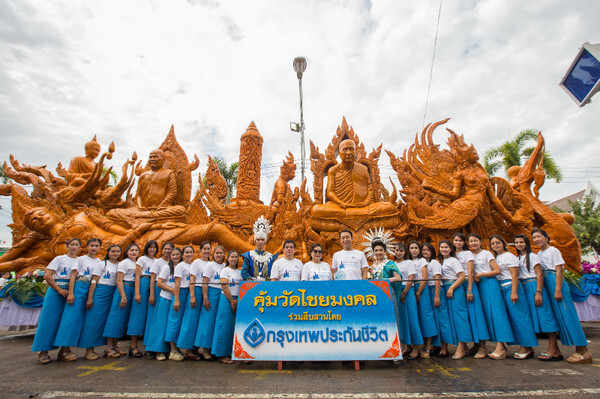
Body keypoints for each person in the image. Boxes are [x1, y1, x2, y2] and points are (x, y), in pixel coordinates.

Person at [532, 228, 593, 364]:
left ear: (546, 237)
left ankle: (583, 351)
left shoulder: (554, 251)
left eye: (539, 237)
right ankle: (556, 350)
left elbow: (559, 271)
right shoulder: (539, 253)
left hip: (555, 282)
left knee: (568, 316)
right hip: (547, 284)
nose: (537, 239)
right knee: (557, 317)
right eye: (534, 238)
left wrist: (558, 289)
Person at [311, 139, 397, 217]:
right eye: (345, 149)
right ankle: (353, 214)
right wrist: (341, 203)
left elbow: (370, 189)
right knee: (316, 209)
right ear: (339, 153)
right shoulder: (333, 170)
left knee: (389, 207)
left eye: (351, 149)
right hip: (340, 207)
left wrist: (366, 202)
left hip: (362, 207)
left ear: (355, 152)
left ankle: (351, 214)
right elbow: (330, 192)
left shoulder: (363, 168)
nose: (348, 152)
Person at [32, 238, 81, 364]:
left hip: (71, 291)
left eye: (77, 245)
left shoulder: (80, 261)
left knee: (67, 322)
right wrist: (59, 290)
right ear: (67, 246)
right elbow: (47, 276)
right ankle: (43, 350)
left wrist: (71, 292)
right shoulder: (59, 259)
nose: (74, 247)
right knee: (48, 321)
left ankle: (65, 350)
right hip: (56, 290)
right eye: (72, 244)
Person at [489, 235, 538, 360]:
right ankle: (507, 346)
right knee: (506, 318)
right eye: (493, 243)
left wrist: (514, 292)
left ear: (503, 243)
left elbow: (515, 274)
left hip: (511, 286)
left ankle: (526, 346)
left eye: (498, 242)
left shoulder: (510, 256)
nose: (496, 245)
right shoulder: (495, 257)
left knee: (520, 316)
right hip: (499, 287)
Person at [54, 238, 103, 359]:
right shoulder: (80, 259)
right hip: (79, 287)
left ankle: (89, 350)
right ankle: (64, 350)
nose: (94, 248)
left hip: (92, 289)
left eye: (96, 246)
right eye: (91, 245)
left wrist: (91, 296)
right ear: (87, 247)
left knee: (90, 320)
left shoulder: (100, 262)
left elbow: (96, 279)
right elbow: (73, 276)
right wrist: (71, 293)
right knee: (71, 318)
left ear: (100, 248)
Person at [468, 233, 514, 359]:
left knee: (496, 314)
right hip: (479, 286)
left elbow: (497, 270)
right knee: (483, 315)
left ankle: (501, 346)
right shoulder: (471, 255)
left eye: (475, 240)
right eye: (471, 241)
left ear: (480, 241)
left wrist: (481, 274)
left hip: (490, 284)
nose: (473, 243)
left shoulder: (487, 253)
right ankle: (480, 345)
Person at [514, 234, 559, 359]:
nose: (519, 244)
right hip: (524, 287)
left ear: (526, 243)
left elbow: (539, 274)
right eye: (517, 242)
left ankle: (553, 349)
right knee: (528, 317)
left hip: (534, 285)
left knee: (545, 316)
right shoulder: (518, 257)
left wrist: (538, 292)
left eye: (521, 242)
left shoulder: (533, 256)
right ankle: (528, 347)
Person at [79, 244, 121, 359]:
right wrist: (90, 297)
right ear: (108, 252)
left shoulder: (119, 265)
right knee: (93, 321)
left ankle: (111, 347)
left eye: (117, 251)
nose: (115, 253)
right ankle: (89, 350)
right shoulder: (102, 264)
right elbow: (94, 281)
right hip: (101, 292)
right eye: (113, 251)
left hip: (113, 292)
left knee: (110, 321)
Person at [452, 233, 490, 356]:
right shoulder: (452, 255)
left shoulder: (468, 254)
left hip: (468, 283)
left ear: (464, 243)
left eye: (460, 241)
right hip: (458, 284)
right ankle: (467, 345)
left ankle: (482, 347)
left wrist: (469, 289)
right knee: (463, 315)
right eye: (455, 240)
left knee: (476, 314)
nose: (458, 243)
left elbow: (470, 271)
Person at [103, 243, 140, 357]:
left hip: (134, 289)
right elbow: (119, 280)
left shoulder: (137, 263)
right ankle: (109, 348)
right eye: (131, 250)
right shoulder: (124, 263)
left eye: (136, 250)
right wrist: (123, 296)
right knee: (115, 318)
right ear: (127, 252)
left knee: (123, 319)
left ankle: (116, 346)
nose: (134, 252)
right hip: (124, 288)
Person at [144, 247, 181, 361]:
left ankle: (170, 349)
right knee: (161, 323)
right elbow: (159, 283)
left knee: (172, 325)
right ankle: (157, 350)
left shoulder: (181, 267)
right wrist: (172, 290)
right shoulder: (167, 267)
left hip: (176, 299)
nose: (175, 256)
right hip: (166, 298)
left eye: (177, 254)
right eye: (173, 255)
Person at [177, 241, 212, 360]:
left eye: (208, 249)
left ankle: (197, 347)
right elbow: (192, 279)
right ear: (200, 250)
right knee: (191, 319)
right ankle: (188, 348)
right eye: (205, 249)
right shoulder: (196, 262)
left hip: (207, 290)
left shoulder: (211, 263)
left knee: (202, 320)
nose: (207, 251)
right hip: (196, 290)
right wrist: (192, 296)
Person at [438, 240, 472, 360]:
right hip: (446, 288)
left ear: (451, 249)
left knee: (459, 316)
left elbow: (462, 276)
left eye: (446, 247)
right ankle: (463, 346)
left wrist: (452, 287)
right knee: (450, 317)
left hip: (455, 288)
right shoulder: (441, 261)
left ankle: (461, 347)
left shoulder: (453, 260)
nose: (444, 249)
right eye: (441, 247)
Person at [195, 245, 226, 360]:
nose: (219, 255)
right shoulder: (210, 265)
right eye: (217, 253)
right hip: (211, 293)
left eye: (221, 253)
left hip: (221, 293)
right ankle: (204, 349)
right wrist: (205, 298)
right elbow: (205, 282)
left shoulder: (224, 266)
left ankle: (212, 348)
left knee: (216, 322)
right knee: (207, 321)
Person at [212, 250, 243, 364]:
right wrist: (231, 301)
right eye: (232, 257)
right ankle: (221, 354)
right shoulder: (225, 270)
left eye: (236, 257)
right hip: (227, 299)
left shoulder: (239, 272)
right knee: (223, 326)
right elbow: (224, 286)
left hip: (236, 299)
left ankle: (230, 352)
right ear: (228, 258)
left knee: (232, 328)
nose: (234, 259)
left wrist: (236, 301)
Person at [408, 241, 438, 358]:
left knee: (426, 316)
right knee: (416, 317)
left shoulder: (422, 261)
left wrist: (419, 291)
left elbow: (424, 277)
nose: (414, 250)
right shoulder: (409, 262)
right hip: (412, 287)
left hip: (422, 288)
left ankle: (428, 346)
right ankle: (417, 345)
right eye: (411, 248)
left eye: (416, 248)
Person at [128, 240, 158, 359]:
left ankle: (148, 346)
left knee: (150, 317)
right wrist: (137, 292)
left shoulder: (156, 261)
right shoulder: (142, 259)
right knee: (137, 316)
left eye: (154, 248)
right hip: (142, 283)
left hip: (152, 286)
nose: (152, 250)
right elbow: (137, 275)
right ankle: (133, 345)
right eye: (150, 247)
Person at [393, 243, 423, 360]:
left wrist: (405, 292)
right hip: (397, 291)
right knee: (402, 320)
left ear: (405, 252)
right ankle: (407, 345)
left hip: (407, 291)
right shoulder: (393, 264)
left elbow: (411, 279)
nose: (398, 252)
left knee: (412, 318)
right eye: (396, 250)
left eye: (401, 250)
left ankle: (416, 347)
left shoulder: (409, 263)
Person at [422, 242, 452, 357]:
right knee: (433, 319)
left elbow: (437, 279)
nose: (425, 252)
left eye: (427, 250)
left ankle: (444, 347)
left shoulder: (434, 263)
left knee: (442, 318)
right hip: (428, 291)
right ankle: (436, 345)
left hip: (436, 290)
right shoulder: (423, 263)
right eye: (423, 250)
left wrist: (437, 296)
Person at [165, 245, 193, 361]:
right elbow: (177, 283)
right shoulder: (180, 266)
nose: (189, 254)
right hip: (180, 292)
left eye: (191, 252)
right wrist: (176, 299)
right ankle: (173, 350)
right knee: (175, 320)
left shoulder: (193, 265)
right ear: (183, 254)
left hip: (189, 292)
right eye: (186, 252)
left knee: (184, 321)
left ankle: (183, 348)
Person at [241, 216, 278, 281]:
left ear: (265, 241)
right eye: (258, 240)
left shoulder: (270, 257)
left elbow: (273, 273)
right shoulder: (249, 255)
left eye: (262, 240)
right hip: (252, 286)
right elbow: (244, 272)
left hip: (266, 286)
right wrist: (252, 280)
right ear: (255, 241)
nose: (260, 242)